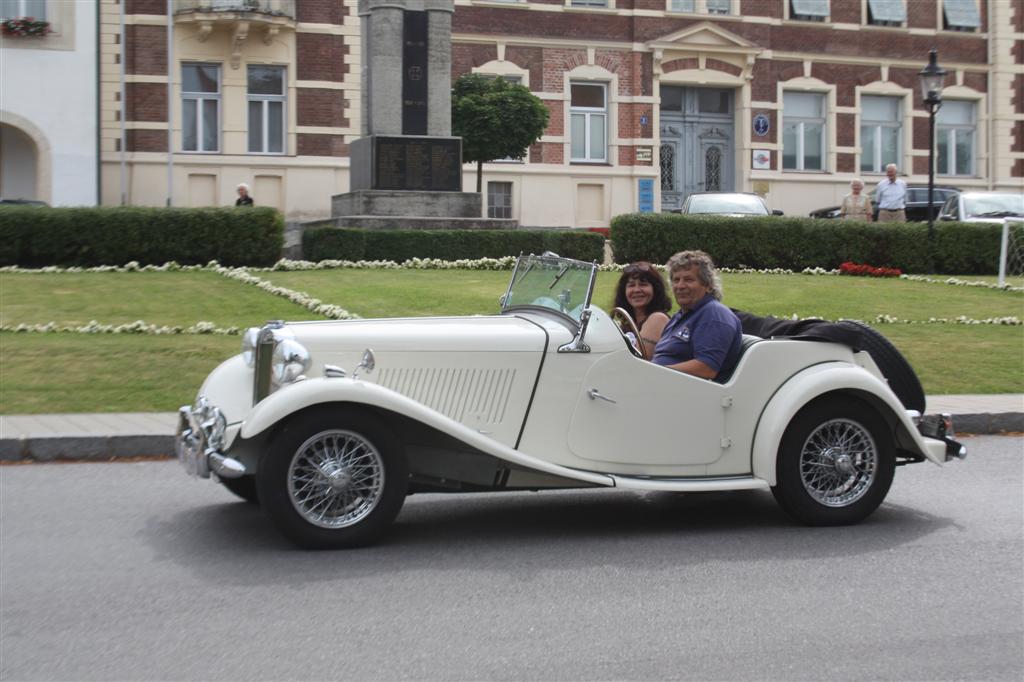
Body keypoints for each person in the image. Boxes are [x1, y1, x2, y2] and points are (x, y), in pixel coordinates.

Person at [651, 250, 742, 380]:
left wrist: (652, 372)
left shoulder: (714, 315)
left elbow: (706, 369)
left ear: (708, 286)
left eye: (688, 279)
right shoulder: (681, 315)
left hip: (686, 394)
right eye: (676, 280)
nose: (680, 286)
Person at [611, 262, 671, 359]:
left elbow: (638, 362)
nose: (637, 290)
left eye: (643, 284)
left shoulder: (658, 319)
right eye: (631, 285)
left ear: (655, 289)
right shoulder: (629, 323)